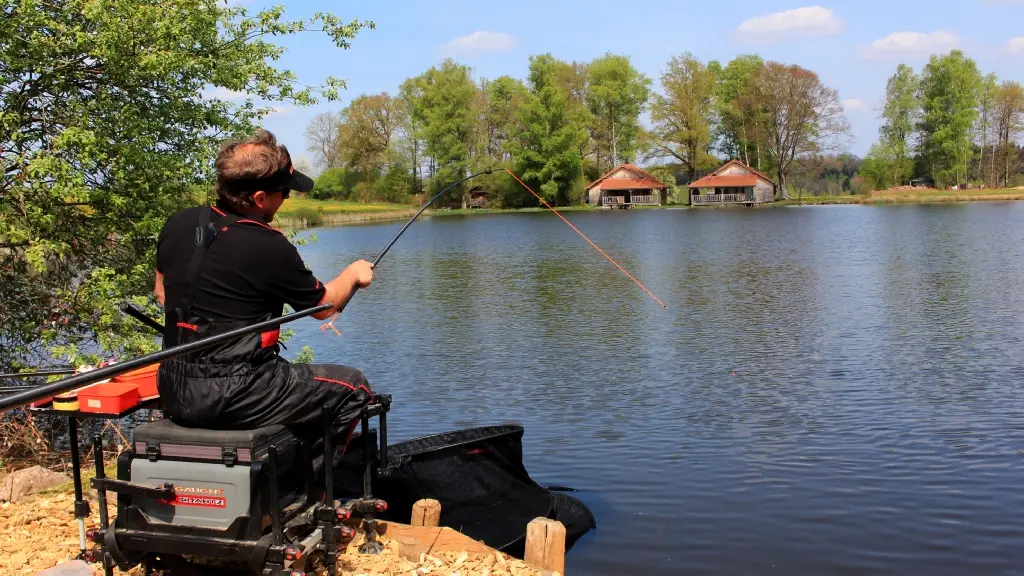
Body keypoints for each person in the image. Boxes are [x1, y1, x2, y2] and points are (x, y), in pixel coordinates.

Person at [153, 129, 374, 449]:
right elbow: (324, 306)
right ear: (259, 198)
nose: (286, 199)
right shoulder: (266, 243)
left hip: (173, 385)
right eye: (284, 193)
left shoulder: (178, 223)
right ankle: (313, 492)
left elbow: (162, 293)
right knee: (354, 388)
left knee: (296, 383)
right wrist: (353, 274)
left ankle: (282, 472)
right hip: (239, 393)